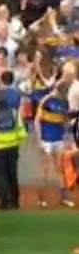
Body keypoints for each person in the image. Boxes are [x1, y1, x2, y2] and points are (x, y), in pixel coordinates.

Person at [0, 72, 27, 210]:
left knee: (0, 175)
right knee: (12, 174)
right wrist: (16, 142)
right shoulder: (14, 113)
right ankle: (15, 201)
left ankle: (4, 202)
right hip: (12, 148)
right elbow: (22, 132)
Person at [34, 79, 73, 207]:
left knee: (60, 170)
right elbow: (37, 121)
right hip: (46, 140)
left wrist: (67, 137)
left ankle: (63, 198)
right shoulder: (46, 101)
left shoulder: (64, 103)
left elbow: (65, 121)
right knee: (44, 171)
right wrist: (39, 140)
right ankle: (41, 199)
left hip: (58, 139)